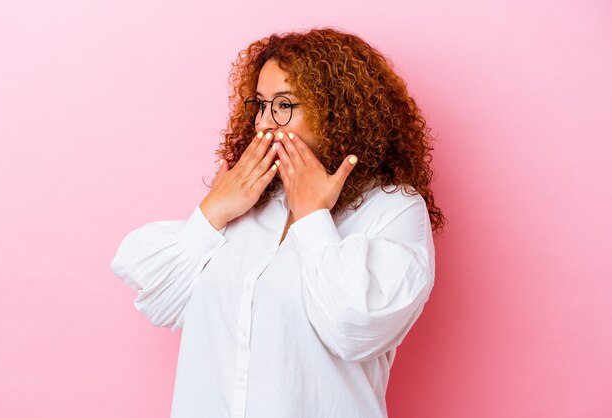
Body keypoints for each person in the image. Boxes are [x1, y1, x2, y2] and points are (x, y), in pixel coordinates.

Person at [111, 27, 445, 418]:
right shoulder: (248, 201)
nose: (264, 124)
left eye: (284, 105)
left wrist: (313, 217)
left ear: (336, 112)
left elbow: (355, 329)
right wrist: (213, 211)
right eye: (261, 104)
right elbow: (160, 299)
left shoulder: (392, 210)